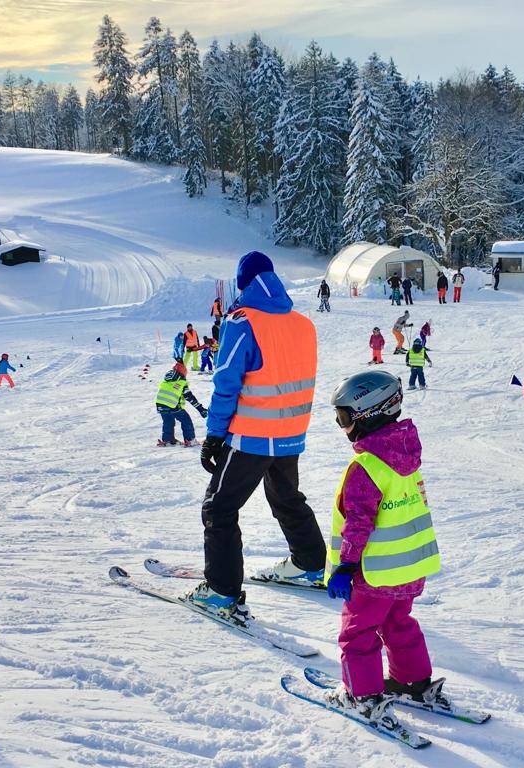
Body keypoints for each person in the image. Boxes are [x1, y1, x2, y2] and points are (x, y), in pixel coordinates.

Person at [191, 251, 327, 619]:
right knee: (286, 497)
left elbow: (226, 385)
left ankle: (221, 591)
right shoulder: (303, 323)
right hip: (290, 433)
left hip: (252, 434)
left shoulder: (241, 322)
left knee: (218, 508)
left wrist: (214, 436)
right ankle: (310, 565)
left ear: (243, 283)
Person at [324, 370, 442, 722]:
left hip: (373, 574)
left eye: (343, 417)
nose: (341, 426)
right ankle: (414, 681)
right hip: (409, 569)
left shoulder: (366, 466)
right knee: (399, 623)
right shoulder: (404, 456)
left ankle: (363, 696)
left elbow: (358, 524)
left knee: (358, 633)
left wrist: (345, 566)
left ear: (367, 414)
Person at [155, 361, 207, 447]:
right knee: (186, 420)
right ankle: (190, 439)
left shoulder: (166, 380)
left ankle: (168, 440)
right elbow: (190, 397)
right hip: (172, 405)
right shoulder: (181, 382)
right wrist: (201, 409)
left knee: (168, 422)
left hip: (160, 405)